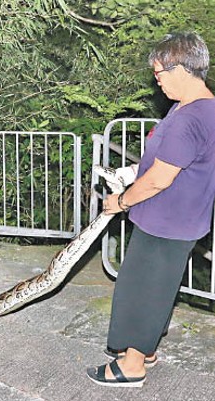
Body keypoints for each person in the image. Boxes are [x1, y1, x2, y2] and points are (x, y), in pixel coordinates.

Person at [87, 32, 215, 388]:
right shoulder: (200, 107)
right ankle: (145, 350)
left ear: (181, 68)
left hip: (166, 221)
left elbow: (160, 178)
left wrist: (122, 201)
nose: (157, 82)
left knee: (140, 288)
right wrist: (130, 172)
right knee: (158, 288)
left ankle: (131, 367)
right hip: (182, 219)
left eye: (160, 74)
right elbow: (163, 158)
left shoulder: (190, 118)